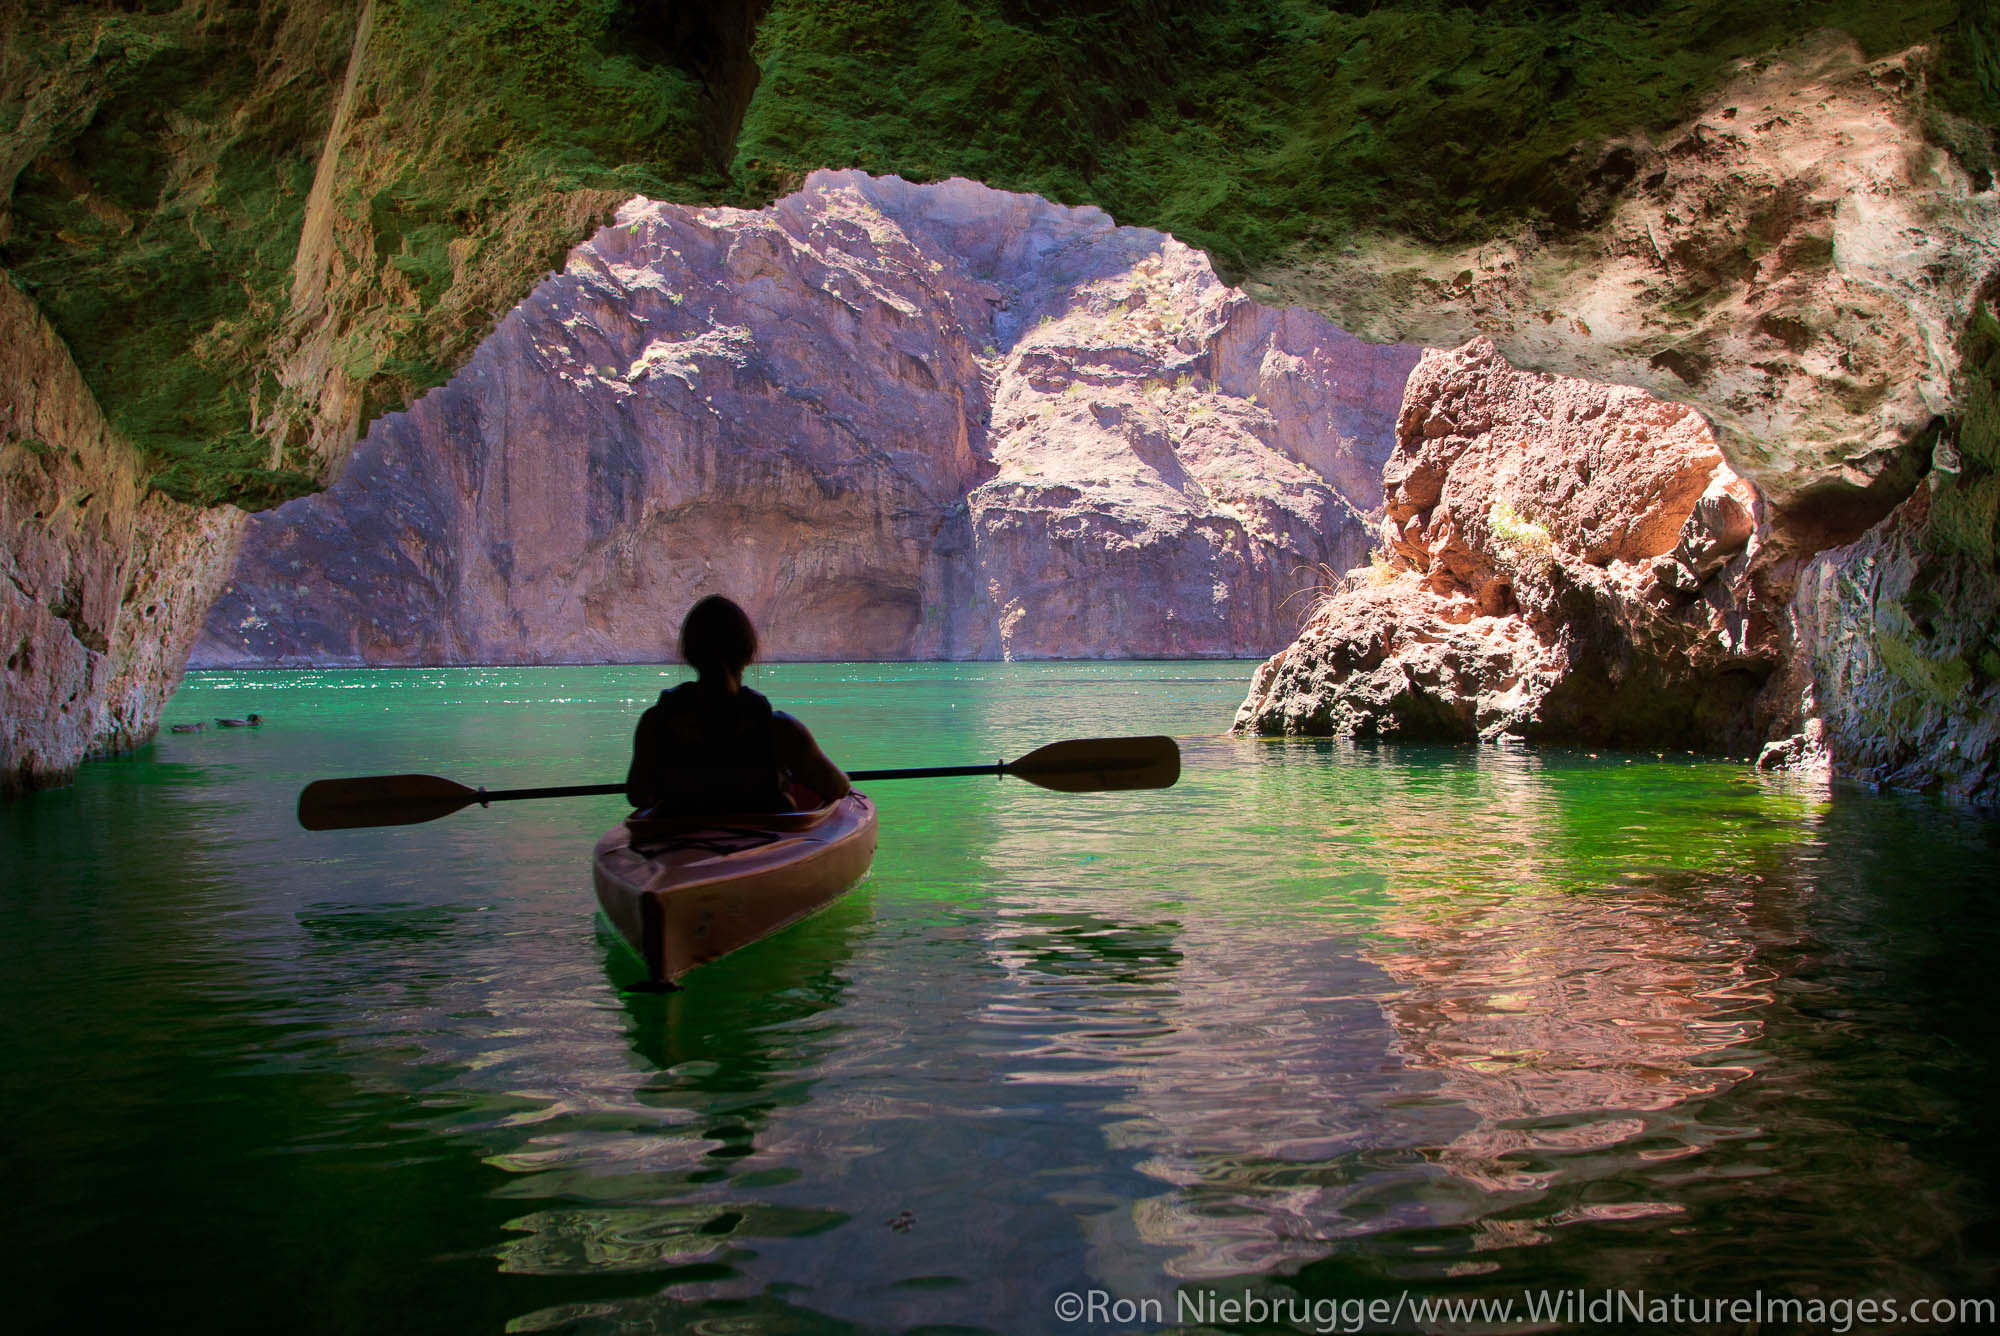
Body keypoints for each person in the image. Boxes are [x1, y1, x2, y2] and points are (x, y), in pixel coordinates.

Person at [625, 595, 851, 815]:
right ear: (748, 654)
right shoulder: (781, 730)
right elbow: (838, 787)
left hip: (675, 846)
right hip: (766, 847)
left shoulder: (655, 723)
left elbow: (636, 795)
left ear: (689, 654)